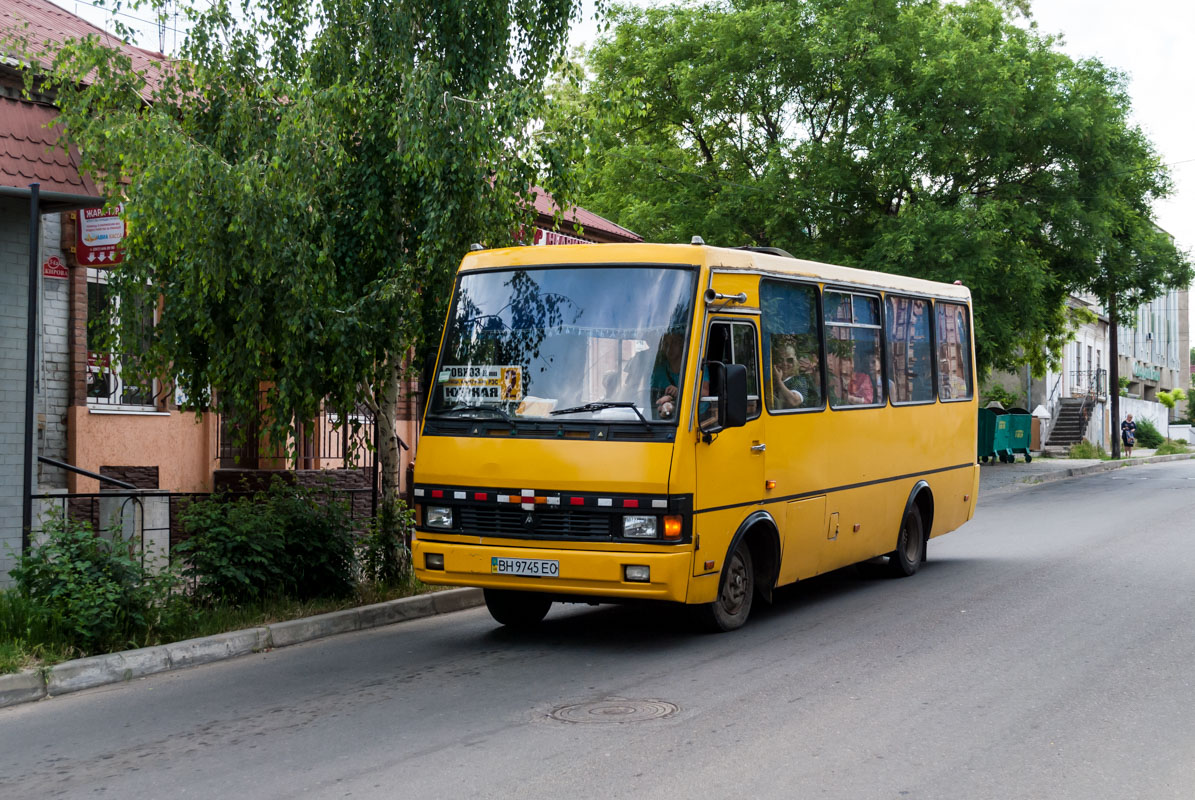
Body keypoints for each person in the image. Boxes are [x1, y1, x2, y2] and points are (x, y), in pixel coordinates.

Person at [771, 338, 820, 409]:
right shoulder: (772, 381)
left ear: (795, 362)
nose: (785, 364)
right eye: (780, 360)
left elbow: (794, 401)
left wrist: (779, 382)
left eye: (789, 360)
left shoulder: (799, 380)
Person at [650, 331, 685, 418]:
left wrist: (679, 391)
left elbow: (704, 392)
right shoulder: (658, 369)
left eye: (674, 343)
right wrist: (663, 400)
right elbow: (650, 396)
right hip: (660, 419)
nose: (669, 348)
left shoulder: (695, 364)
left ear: (681, 344)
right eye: (666, 344)